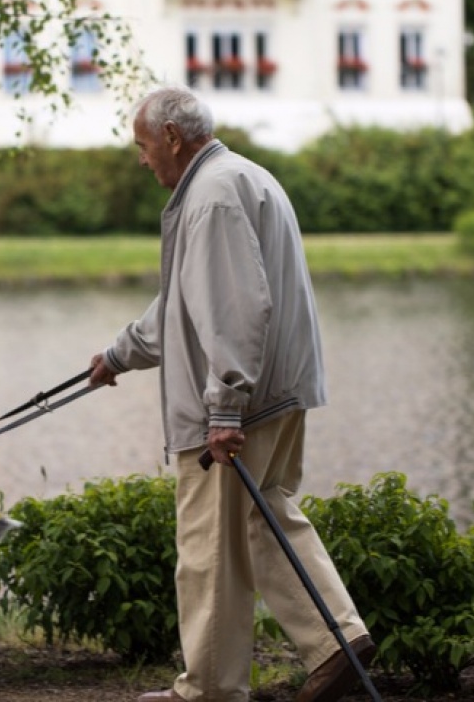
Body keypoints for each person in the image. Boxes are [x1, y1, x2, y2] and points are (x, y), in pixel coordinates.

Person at [88, 86, 375, 702]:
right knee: (264, 517)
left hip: (241, 402)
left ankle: (210, 691)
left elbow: (236, 308)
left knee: (208, 548)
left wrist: (223, 407)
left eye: (142, 145)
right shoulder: (239, 178)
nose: (141, 160)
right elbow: (187, 303)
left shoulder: (212, 197)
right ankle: (338, 639)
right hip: (279, 388)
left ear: (171, 137)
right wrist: (120, 354)